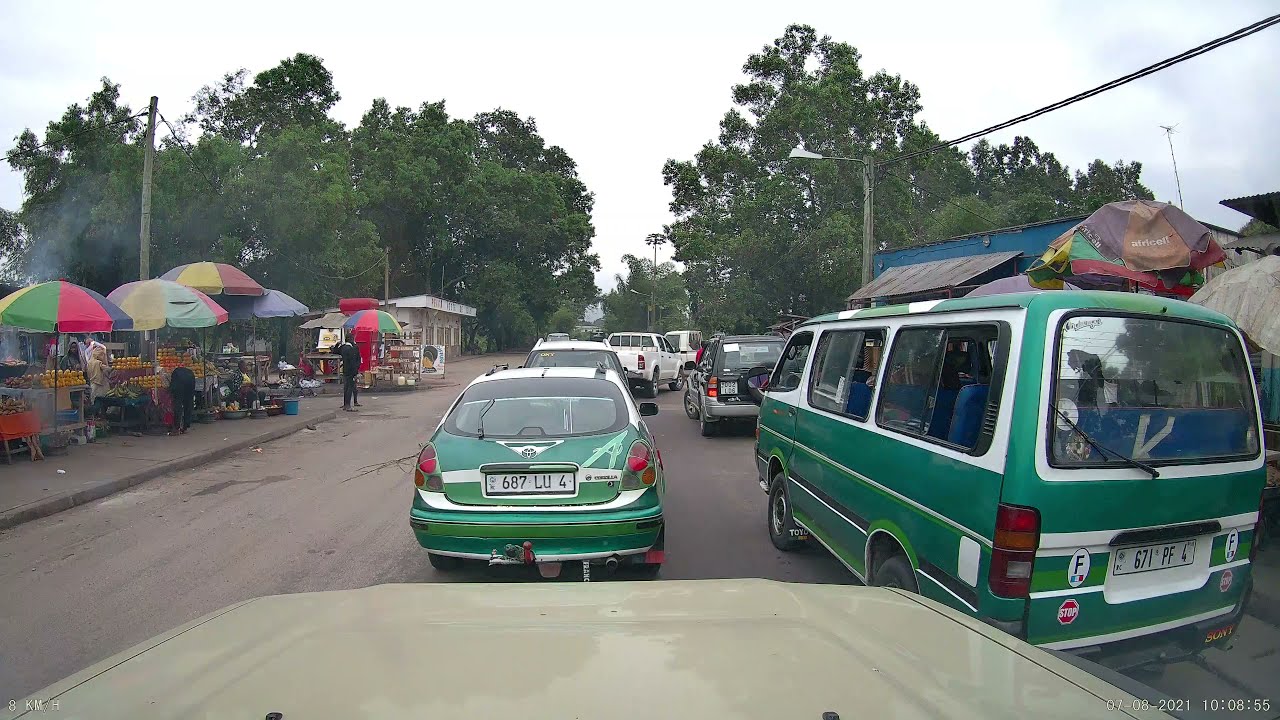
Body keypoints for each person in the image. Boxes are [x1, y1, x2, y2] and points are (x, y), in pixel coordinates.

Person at [332, 336, 362, 411]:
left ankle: (345, 404)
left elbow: (334, 351)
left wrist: (337, 344)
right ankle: (348, 405)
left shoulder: (343, 347)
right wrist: (356, 372)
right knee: (350, 388)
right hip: (351, 371)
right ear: (351, 340)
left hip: (345, 370)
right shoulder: (352, 349)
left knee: (346, 387)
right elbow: (354, 361)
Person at [169, 365, 196, 434]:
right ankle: (185, 427)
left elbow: (173, 387)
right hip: (190, 381)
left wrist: (171, 390)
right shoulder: (189, 372)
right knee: (188, 404)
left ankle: (176, 428)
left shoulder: (175, 374)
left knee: (178, 405)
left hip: (180, 383)